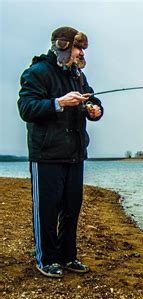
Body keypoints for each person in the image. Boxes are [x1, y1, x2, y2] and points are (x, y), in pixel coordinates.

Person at [18, 26, 104, 278]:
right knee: (46, 210)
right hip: (46, 154)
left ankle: (68, 256)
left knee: (71, 207)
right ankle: (46, 259)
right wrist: (58, 102)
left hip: (75, 153)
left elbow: (93, 100)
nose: (81, 53)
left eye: (84, 49)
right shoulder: (37, 72)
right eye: (78, 48)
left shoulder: (77, 74)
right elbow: (26, 108)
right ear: (62, 46)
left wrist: (94, 110)